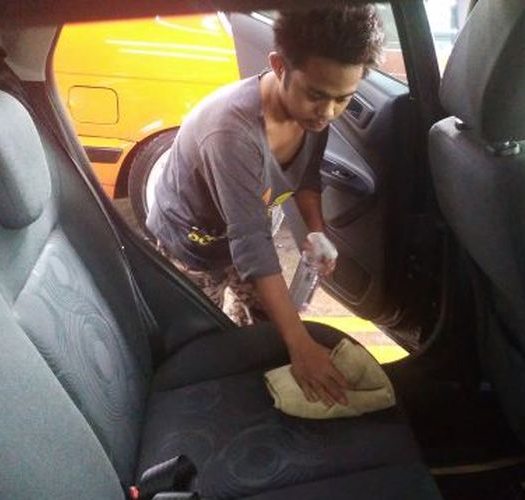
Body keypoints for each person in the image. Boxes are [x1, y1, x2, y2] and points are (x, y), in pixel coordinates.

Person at [146, 6, 384, 406]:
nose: (328, 113)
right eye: (316, 95)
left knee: (267, 327)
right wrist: (301, 346)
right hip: (191, 244)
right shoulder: (231, 133)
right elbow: (252, 245)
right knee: (199, 341)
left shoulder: (313, 117)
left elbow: (306, 180)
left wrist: (316, 231)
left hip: (243, 231)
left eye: (343, 99)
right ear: (278, 66)